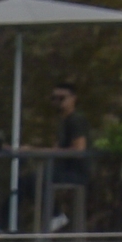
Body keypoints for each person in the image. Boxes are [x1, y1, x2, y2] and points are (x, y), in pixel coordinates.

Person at [49, 80, 91, 231]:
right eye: (54, 98)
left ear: (73, 99)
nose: (57, 102)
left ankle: (56, 215)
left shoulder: (76, 120)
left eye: (62, 98)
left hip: (75, 173)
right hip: (63, 171)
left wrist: (54, 152)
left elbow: (79, 149)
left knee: (36, 180)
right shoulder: (63, 121)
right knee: (28, 181)